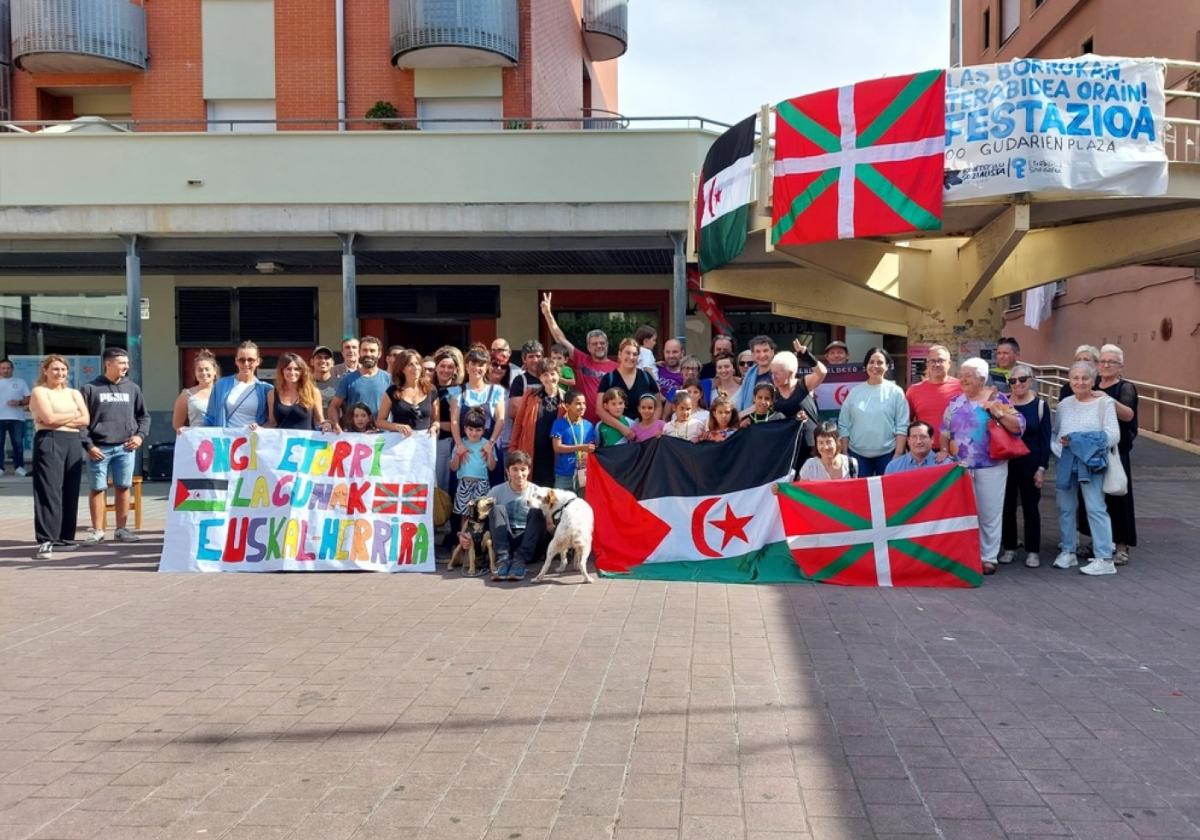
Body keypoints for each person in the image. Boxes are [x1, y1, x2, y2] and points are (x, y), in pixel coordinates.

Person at [941, 357, 1024, 575]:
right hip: (961, 467)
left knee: (989, 512)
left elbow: (1018, 426)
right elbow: (944, 431)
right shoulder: (955, 402)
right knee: (966, 513)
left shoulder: (997, 398)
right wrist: (943, 451)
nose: (962, 378)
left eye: (967, 375)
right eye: (961, 374)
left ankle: (988, 557)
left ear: (981, 378)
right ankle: (967, 554)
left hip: (991, 465)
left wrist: (997, 412)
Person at [1052, 360, 1120, 576]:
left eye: (1085, 378)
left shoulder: (1104, 404)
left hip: (1091, 462)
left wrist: (1082, 442)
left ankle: (1104, 557)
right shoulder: (1064, 404)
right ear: (1069, 380)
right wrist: (1059, 450)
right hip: (1066, 460)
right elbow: (1056, 432)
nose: (1080, 382)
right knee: (1065, 507)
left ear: (1094, 380)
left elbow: (1113, 434)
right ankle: (1068, 551)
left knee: (1095, 507)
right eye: (1075, 378)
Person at [79, 348, 151, 544]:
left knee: (123, 487)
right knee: (97, 488)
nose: (126, 367)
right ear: (108, 364)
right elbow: (80, 422)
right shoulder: (89, 388)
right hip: (98, 448)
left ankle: (122, 529)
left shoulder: (133, 388)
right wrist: (89, 446)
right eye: (121, 363)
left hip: (125, 447)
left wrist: (139, 437)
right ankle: (97, 531)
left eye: (127, 363)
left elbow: (144, 416)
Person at [30, 355, 89, 559]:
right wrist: (72, 415)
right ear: (45, 371)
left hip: (72, 442)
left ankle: (66, 537)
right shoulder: (39, 392)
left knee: (70, 489)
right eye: (55, 369)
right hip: (48, 440)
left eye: (63, 370)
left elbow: (86, 419)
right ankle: (47, 539)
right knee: (49, 489)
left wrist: (59, 420)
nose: (60, 373)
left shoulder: (74, 393)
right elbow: (48, 419)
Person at [1000, 363, 1052, 568]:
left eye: (1022, 380)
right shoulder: (1003, 404)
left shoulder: (1040, 406)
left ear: (1031, 381)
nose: (1018, 384)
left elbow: (1045, 439)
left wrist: (1042, 468)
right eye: (1013, 381)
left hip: (1031, 462)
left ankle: (1033, 550)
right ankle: (1010, 547)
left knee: (1031, 507)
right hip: (1006, 462)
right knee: (1007, 506)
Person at [540, 293, 617, 423]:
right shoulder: (581, 359)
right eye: (595, 343)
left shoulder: (617, 368)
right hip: (580, 423)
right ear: (588, 347)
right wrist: (548, 314)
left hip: (607, 424)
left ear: (607, 345)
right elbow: (560, 339)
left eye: (602, 343)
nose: (599, 346)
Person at [474, 449, 545, 582]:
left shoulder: (538, 491)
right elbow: (479, 515)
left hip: (529, 542)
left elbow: (549, 525)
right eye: (514, 469)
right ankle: (503, 560)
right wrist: (465, 534)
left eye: (523, 469)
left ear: (529, 470)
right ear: (507, 471)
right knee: (496, 509)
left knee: (537, 510)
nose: (519, 474)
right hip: (505, 540)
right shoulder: (497, 490)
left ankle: (520, 560)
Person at [837, 347, 909, 477]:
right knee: (861, 494)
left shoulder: (896, 392)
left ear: (887, 366)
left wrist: (898, 454)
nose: (875, 366)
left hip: (888, 454)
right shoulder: (854, 392)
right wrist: (845, 452)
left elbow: (902, 425)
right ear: (866, 366)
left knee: (888, 493)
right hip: (857, 454)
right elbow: (844, 424)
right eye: (871, 362)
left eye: (880, 362)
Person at [1096, 344, 1138, 565]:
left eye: (1110, 362)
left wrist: (1106, 399)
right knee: (1095, 499)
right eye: (1101, 361)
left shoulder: (1125, 387)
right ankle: (1100, 541)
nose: (1104, 365)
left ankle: (1122, 546)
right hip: (1093, 450)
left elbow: (1129, 415)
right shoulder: (1093, 384)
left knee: (1118, 495)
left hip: (1115, 451)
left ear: (1120, 366)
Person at [451, 348, 506, 485]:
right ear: (467, 366)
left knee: (490, 497)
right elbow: (454, 420)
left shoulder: (496, 390)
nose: (477, 368)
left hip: (487, 449)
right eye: (473, 364)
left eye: (481, 364)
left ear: (487, 367)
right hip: (465, 450)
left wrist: (491, 443)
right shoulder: (458, 391)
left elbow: (501, 419)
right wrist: (459, 445)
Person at [451, 409, 497, 565]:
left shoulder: (486, 444)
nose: (474, 433)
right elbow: (453, 467)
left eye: (478, 430)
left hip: (481, 483)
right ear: (464, 429)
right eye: (470, 429)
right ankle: (463, 548)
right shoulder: (461, 444)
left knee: (479, 516)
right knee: (464, 515)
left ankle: (478, 549)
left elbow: (492, 467)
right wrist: (458, 454)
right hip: (464, 483)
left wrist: (490, 453)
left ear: (483, 430)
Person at [771, 345, 827, 466]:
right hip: (788, 448)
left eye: (777, 373)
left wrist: (807, 355)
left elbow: (822, 372)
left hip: (810, 446)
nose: (773, 377)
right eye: (772, 373)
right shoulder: (772, 393)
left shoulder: (803, 385)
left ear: (790, 373)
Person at [511, 365, 565, 486]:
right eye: (545, 374)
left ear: (558, 375)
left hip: (554, 454)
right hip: (532, 451)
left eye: (552, 374)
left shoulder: (566, 399)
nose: (549, 378)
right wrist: (513, 447)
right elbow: (518, 423)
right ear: (540, 377)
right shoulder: (531, 395)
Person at [597, 338, 661, 441]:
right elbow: (600, 409)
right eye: (627, 353)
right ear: (620, 354)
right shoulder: (609, 378)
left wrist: (651, 426)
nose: (631, 357)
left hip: (642, 436)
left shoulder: (646, 377)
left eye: (635, 354)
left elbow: (658, 406)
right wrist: (623, 429)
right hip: (616, 433)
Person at [905, 344, 962, 451]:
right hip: (925, 452)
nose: (936, 364)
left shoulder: (962, 387)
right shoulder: (914, 391)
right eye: (932, 361)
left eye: (940, 360)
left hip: (956, 450)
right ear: (927, 364)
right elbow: (906, 422)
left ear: (949, 364)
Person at [204, 340, 273, 428]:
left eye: (250, 360)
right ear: (236, 361)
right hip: (227, 440)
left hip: (253, 439)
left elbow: (272, 421)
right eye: (242, 360)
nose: (246, 363)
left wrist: (261, 428)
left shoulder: (266, 389)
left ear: (258, 361)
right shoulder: (221, 385)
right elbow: (210, 418)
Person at [329, 336, 389, 433]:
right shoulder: (347, 380)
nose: (368, 354)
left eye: (372, 350)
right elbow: (334, 406)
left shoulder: (389, 379)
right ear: (359, 353)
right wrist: (335, 424)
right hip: (355, 439)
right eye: (364, 350)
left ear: (380, 354)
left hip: (383, 438)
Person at [378, 349, 437, 436]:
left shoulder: (430, 389)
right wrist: (397, 426)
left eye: (417, 364)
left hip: (424, 443)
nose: (416, 368)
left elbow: (436, 420)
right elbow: (380, 421)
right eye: (410, 364)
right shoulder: (392, 391)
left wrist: (434, 427)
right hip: (399, 443)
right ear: (402, 369)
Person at [550, 389, 596, 493]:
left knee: (581, 506)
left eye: (584, 403)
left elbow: (592, 446)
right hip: (563, 475)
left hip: (583, 474)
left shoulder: (588, 425)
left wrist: (589, 449)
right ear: (567, 406)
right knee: (561, 506)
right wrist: (580, 447)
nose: (582, 406)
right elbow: (557, 448)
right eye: (578, 404)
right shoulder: (558, 424)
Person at [267, 353, 326, 431]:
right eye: (288, 369)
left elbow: (319, 421)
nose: (292, 372)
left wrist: (327, 425)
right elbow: (272, 423)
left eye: (297, 369)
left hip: (306, 442)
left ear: (302, 371)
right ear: (282, 371)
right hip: (281, 442)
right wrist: (258, 429)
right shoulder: (272, 394)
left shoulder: (313, 392)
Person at [173, 350, 218, 433]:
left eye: (207, 369)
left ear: (214, 371)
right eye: (200, 370)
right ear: (195, 373)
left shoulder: (223, 392)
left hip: (219, 441)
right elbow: (177, 425)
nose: (204, 373)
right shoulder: (186, 395)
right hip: (197, 442)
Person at [0, 358, 32, 476]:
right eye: (3, 368)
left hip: (17, 418)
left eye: (8, 368)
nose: (5, 370)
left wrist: (18, 403)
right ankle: (0, 468)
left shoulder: (20, 382)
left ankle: (19, 467)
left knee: (18, 444)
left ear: (12, 369)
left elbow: (29, 398)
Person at [733, 336, 777, 411]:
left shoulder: (778, 374)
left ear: (772, 352)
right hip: (751, 420)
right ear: (753, 355)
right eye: (758, 351)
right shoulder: (749, 375)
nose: (762, 355)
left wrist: (744, 413)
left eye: (765, 350)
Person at [310, 346, 339, 417]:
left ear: (332, 363)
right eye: (319, 357)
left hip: (333, 426)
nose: (323, 361)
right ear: (312, 362)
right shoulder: (304, 384)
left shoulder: (340, 384)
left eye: (326, 358)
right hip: (309, 427)